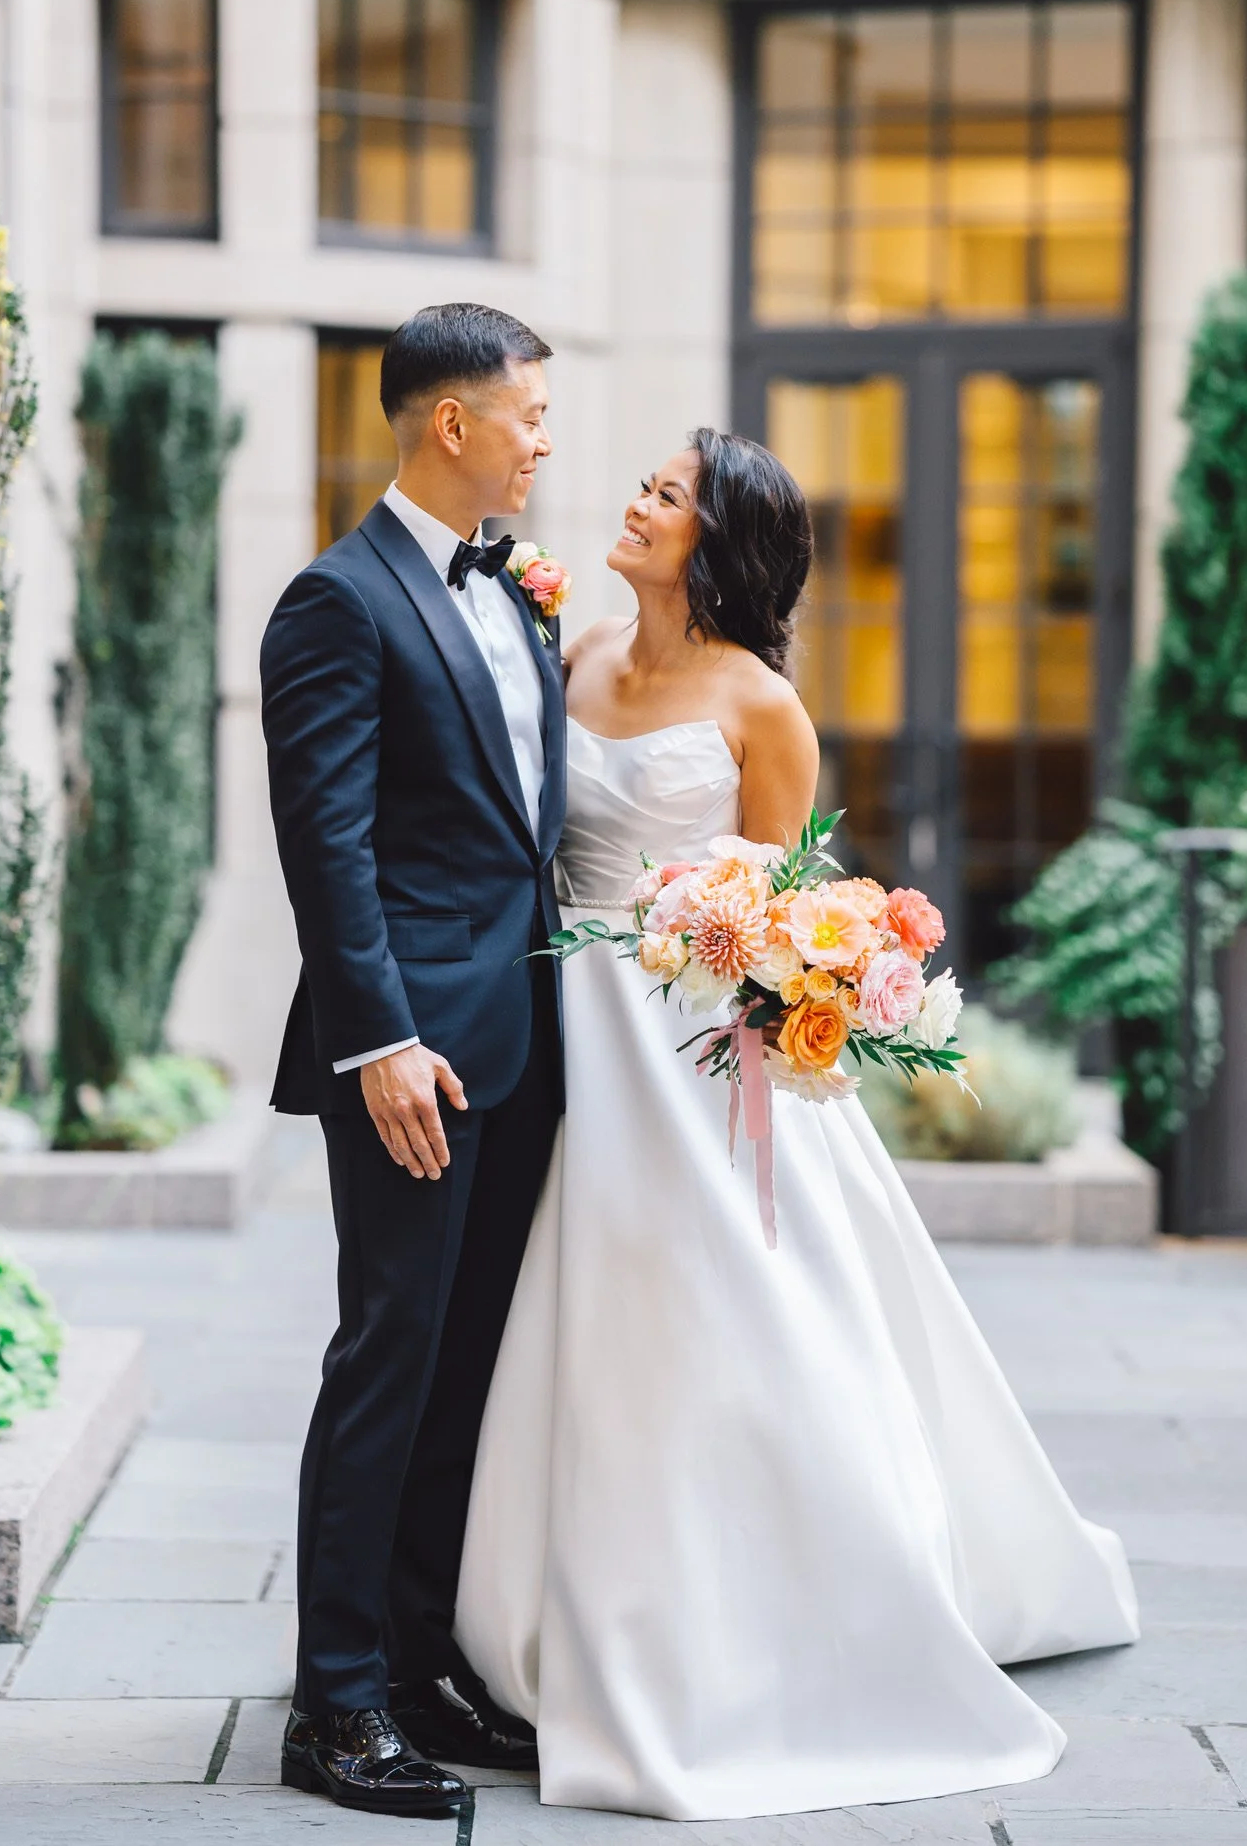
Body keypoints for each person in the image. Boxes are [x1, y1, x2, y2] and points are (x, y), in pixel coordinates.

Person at [456, 429, 1139, 1819]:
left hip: (693, 1048)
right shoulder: (573, 652)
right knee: (576, 1312)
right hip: (565, 1031)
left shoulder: (765, 706)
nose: (636, 502)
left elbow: (780, 911)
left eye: (667, 496)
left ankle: (785, 1604)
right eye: (643, 483)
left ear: (720, 543)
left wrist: (779, 986)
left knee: (721, 1313)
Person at [260, 304, 567, 1817]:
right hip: (412, 1056)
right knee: (389, 1353)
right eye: (527, 413)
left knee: (466, 1366)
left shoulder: (520, 592)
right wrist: (378, 1035)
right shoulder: (337, 600)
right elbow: (328, 850)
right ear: (451, 421)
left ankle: (422, 1665)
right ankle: (333, 1704)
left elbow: (521, 834)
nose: (543, 438)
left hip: (526, 1045)